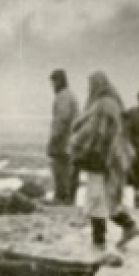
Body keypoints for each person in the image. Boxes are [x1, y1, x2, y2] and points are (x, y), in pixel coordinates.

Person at [70, 71, 139, 248]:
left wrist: (76, 143)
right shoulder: (114, 102)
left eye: (91, 85)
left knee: (96, 196)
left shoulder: (102, 104)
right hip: (114, 156)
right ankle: (128, 226)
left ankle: (99, 240)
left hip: (101, 156)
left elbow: (96, 131)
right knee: (108, 197)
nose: (89, 89)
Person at [48, 69, 80, 206]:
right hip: (73, 139)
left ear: (59, 81)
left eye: (53, 82)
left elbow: (62, 119)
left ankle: (62, 198)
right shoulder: (70, 95)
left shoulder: (63, 96)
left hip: (64, 139)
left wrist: (54, 138)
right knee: (70, 170)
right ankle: (69, 199)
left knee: (61, 169)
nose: (52, 86)